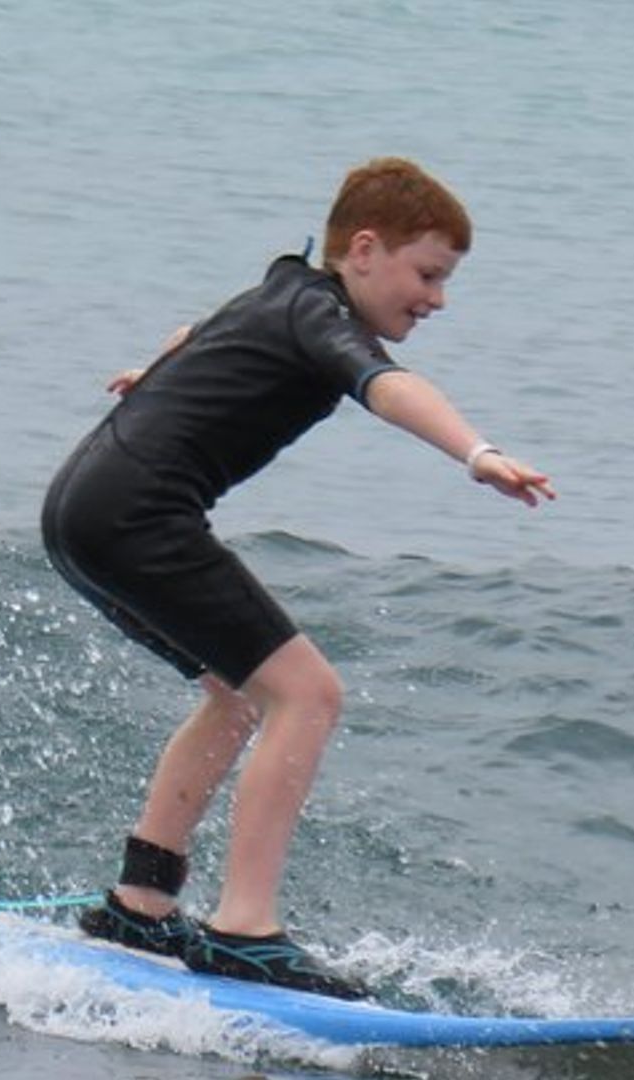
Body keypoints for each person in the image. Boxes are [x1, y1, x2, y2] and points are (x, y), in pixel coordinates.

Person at [41, 158, 554, 1000]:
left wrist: (160, 376)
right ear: (362, 250)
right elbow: (387, 387)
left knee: (240, 697)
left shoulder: (283, 288)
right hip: (136, 519)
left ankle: (141, 902)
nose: (437, 299)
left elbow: (196, 333)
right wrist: (478, 452)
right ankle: (245, 928)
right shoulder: (322, 317)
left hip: (81, 510)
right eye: (427, 275)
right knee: (308, 696)